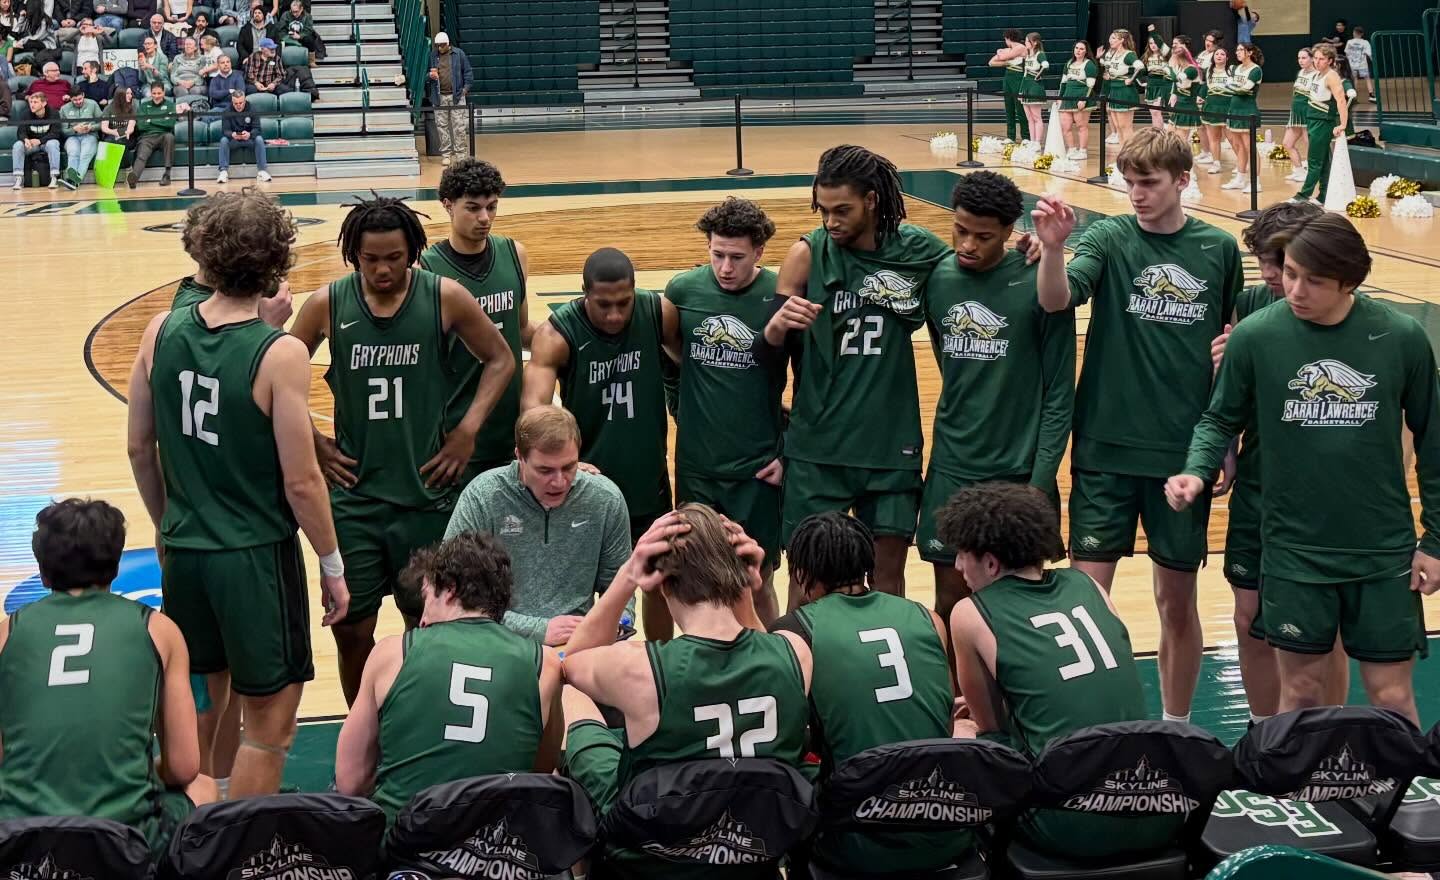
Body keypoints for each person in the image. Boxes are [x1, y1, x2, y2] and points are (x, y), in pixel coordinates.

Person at [1167, 213, 1440, 726]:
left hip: (1382, 548)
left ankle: (1402, 803)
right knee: (1301, 689)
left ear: (1350, 281)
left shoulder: (1401, 338)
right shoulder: (1255, 335)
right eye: (1290, 273)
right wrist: (1196, 471)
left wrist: (1436, 540)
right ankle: (1298, 798)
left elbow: (1435, 440)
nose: (1295, 289)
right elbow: (1218, 417)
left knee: (1391, 696)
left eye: (1313, 279)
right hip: (1292, 549)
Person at [127, 189, 350, 799]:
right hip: (253, 557)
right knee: (269, 728)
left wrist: (167, 523)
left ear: (201, 252)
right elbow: (302, 481)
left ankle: (192, 832)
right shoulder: (280, 353)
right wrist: (332, 566)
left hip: (186, 552)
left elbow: (138, 448)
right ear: (278, 263)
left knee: (202, 704)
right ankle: (239, 852)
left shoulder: (159, 330)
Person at [1031, 127, 1243, 723]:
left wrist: (1223, 443)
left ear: (1182, 180)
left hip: (1183, 455)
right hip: (1104, 446)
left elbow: (1229, 351)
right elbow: (1055, 301)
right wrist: (1052, 249)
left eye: (1148, 182)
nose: (1137, 193)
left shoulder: (1218, 249)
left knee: (1177, 602)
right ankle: (1093, 728)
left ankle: (1175, 726)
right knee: (1087, 606)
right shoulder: (1109, 236)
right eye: (1129, 182)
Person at [290, 194, 513, 707]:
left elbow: (500, 360)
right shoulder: (327, 303)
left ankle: (422, 721)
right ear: (353, 254)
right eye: (371, 259)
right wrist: (313, 440)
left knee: (429, 623)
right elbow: (272, 372)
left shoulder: (445, 296)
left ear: (412, 251)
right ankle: (365, 724)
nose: (383, 268)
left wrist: (467, 431)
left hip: (427, 492)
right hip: (354, 497)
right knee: (351, 628)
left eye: (394, 257)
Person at [561, 504, 813, 874]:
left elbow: (570, 662)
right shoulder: (796, 653)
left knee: (573, 701)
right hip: (752, 852)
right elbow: (768, 655)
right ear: (742, 574)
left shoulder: (638, 670)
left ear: (661, 583)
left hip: (653, 857)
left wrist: (627, 575)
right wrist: (741, 588)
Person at [945, 483, 1172, 861]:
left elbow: (993, 730)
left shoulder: (969, 613)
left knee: (962, 735)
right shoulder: (1088, 584)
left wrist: (965, 727)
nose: (956, 567)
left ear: (990, 563)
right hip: (1157, 802)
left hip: (1070, 824)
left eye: (962, 555)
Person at [762, 145, 950, 599]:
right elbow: (767, 359)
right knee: (808, 582)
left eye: (842, 209)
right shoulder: (806, 255)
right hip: (818, 448)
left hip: (890, 446)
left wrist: (1032, 248)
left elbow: (978, 275)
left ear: (872, 200)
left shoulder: (920, 250)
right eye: (823, 210)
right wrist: (775, 327)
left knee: (887, 581)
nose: (831, 221)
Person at [0, 499, 216, 860]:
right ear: (116, 566)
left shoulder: (7, 634)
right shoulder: (160, 630)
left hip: (21, 838)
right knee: (204, 787)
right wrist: (135, 767)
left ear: (43, 572)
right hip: (123, 838)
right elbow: (183, 766)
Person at [1211, 199, 1349, 724]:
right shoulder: (1248, 307)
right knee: (1249, 617)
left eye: (1282, 261)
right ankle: (1263, 734)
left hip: (1325, 499)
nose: (1271, 275)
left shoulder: (1351, 319)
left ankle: (1327, 732)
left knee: (1325, 627)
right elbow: (1225, 405)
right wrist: (1221, 369)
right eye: (1265, 263)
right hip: (1259, 488)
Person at [919, 172, 1074, 621]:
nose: (968, 245)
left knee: (1017, 610)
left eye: (984, 236)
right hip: (951, 464)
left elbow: (1060, 393)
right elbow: (948, 361)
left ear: (1011, 231)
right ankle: (956, 695)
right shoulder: (938, 278)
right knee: (951, 604)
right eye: (960, 230)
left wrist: (1041, 481)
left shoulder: (1039, 280)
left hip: (1020, 472)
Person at [770, 512, 958, 874]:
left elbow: (788, 743)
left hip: (857, 838)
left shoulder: (794, 634)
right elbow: (944, 725)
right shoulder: (927, 617)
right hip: (944, 821)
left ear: (802, 575)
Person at [334, 531, 563, 824]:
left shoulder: (391, 653)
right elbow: (541, 770)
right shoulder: (545, 663)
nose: (424, 618)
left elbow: (350, 781)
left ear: (450, 589)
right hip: (495, 851)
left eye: (427, 597)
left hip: (408, 844)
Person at [523, 247, 678, 639]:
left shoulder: (657, 313)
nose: (614, 315)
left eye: (623, 303)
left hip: (647, 480)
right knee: (580, 593)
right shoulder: (557, 334)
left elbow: (688, 367)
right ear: (583, 293)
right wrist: (565, 461)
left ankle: (657, 665)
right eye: (603, 304)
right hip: (586, 488)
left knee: (660, 582)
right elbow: (532, 415)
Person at [664, 197, 787, 624]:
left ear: (759, 252)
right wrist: (679, 405)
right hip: (698, 465)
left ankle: (776, 663)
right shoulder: (683, 291)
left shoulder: (779, 294)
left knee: (759, 578)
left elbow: (809, 378)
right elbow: (670, 358)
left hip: (757, 469)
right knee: (694, 579)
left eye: (737, 257)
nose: (726, 267)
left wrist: (789, 449)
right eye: (717, 255)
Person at [445, 406, 632, 645]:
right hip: (497, 640)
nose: (559, 481)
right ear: (519, 457)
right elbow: (454, 590)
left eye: (569, 467)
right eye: (545, 470)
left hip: (577, 643)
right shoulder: (483, 496)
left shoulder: (605, 500)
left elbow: (620, 586)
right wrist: (537, 630)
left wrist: (615, 625)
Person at [419, 158, 531, 485]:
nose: (485, 218)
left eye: (492, 207)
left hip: (511, 431)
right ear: (447, 205)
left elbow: (522, 330)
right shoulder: (426, 268)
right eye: (473, 208)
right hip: (455, 432)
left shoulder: (514, 254)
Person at [1294, 43, 1348, 205]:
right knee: (1323, 161)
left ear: (1330, 61)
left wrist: (1343, 124)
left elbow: (1341, 100)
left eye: (1322, 59)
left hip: (1323, 122)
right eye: (1315, 58)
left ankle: (1303, 195)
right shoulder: (1316, 75)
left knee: (1314, 160)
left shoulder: (1331, 76)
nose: (1317, 62)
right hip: (1312, 119)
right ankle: (1323, 195)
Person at [1222, 43, 1263, 194]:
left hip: (1248, 111)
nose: (1237, 52)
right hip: (1234, 109)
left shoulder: (1256, 70)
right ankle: (1240, 179)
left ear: (1249, 52)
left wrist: (1232, 87)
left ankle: (1256, 182)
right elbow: (1233, 87)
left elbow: (1245, 89)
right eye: (1237, 49)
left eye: (1241, 50)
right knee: (1239, 147)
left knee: (1250, 147)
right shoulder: (1237, 68)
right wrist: (1234, 88)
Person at [127, 80, 184, 188]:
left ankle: (167, 175)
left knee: (170, 137)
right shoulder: (144, 106)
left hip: (164, 135)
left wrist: (150, 120)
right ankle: (134, 178)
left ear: (163, 93)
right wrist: (161, 120)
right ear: (150, 93)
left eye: (159, 93)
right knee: (142, 155)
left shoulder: (170, 105)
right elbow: (141, 126)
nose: (156, 96)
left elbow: (170, 124)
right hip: (147, 137)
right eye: (154, 93)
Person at [427, 31, 471, 166]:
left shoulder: (459, 54)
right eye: (438, 46)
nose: (440, 48)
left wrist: (465, 89)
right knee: (442, 126)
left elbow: (468, 72)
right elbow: (425, 74)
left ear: (448, 44)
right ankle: (446, 154)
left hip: (456, 96)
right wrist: (430, 75)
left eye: (442, 45)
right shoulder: (432, 56)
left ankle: (460, 155)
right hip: (439, 96)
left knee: (459, 126)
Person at [216, 89, 270, 183]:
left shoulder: (252, 109)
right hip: (234, 140)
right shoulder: (227, 111)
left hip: (248, 139)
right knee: (224, 140)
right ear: (232, 102)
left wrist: (250, 134)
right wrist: (232, 134)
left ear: (245, 100)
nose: (238, 105)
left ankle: (262, 171)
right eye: (236, 103)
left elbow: (257, 129)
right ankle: (223, 172)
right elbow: (225, 131)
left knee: (259, 139)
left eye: (241, 103)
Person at [11, 91, 62, 189]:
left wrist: (40, 141)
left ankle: (54, 177)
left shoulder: (53, 113)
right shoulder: (26, 114)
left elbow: (55, 133)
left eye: (35, 102)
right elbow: (21, 132)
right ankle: (18, 178)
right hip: (31, 145)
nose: (32, 105)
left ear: (43, 103)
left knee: (53, 143)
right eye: (31, 102)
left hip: (45, 144)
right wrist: (25, 140)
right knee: (18, 145)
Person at [1057, 40, 1097, 160]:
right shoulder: (1069, 63)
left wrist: (1084, 99)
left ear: (1086, 51)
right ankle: (1072, 149)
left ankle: (1083, 151)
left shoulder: (1089, 64)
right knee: (1066, 126)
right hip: (1067, 96)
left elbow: (1091, 85)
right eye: (1077, 48)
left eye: (1081, 49)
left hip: (1081, 96)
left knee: (1081, 126)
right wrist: (1060, 97)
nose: (1078, 51)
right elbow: (1063, 82)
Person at [988, 28, 1029, 142]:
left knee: (1020, 109)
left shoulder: (1021, 47)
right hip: (1008, 78)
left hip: (1019, 79)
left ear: (1008, 38)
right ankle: (1010, 136)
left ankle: (1026, 137)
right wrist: (1006, 62)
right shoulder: (1009, 49)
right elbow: (991, 62)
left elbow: (1001, 57)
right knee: (1009, 108)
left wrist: (1000, 52)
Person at [1102, 29, 1142, 145]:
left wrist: (1131, 79)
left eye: (1114, 38)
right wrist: (1109, 75)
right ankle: (1122, 156)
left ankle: (1129, 156)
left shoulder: (1128, 54)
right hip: (1113, 89)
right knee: (1118, 127)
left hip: (1124, 91)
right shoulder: (1113, 53)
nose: (1111, 40)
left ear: (1122, 40)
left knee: (1125, 126)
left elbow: (1140, 66)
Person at [1282, 48, 1316, 184]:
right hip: (1295, 114)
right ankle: (1299, 171)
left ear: (1312, 59)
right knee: (1287, 143)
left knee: (1309, 143)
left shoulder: (1316, 75)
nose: (1300, 61)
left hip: (1308, 112)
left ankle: (1313, 172)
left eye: (1304, 58)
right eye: (1299, 58)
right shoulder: (1300, 72)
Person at [1198, 46, 1232, 177]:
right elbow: (1205, 86)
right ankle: (1216, 163)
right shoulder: (1208, 71)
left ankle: (1242, 163)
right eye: (1217, 54)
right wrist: (1200, 97)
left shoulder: (1232, 70)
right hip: (1211, 106)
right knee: (1214, 138)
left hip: (1227, 107)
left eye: (1222, 54)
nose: (1219, 56)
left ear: (1227, 58)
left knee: (1232, 139)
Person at [58, 85, 99, 189]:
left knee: (85, 155)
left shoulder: (92, 104)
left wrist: (92, 127)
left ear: (83, 95)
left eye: (80, 99)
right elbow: (63, 131)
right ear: (70, 98)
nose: (78, 102)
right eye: (75, 100)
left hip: (90, 135)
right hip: (72, 137)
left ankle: (74, 180)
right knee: (73, 152)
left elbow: (102, 123)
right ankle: (73, 180)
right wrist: (74, 130)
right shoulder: (64, 109)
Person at [1194, 31, 1222, 164]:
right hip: (1196, 88)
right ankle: (1205, 151)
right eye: (1207, 39)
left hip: (1205, 90)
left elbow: (1208, 78)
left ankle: (1212, 153)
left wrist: (1202, 94)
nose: (1208, 42)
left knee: (1207, 125)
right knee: (1199, 125)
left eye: (1211, 40)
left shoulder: (1214, 56)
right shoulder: (1202, 54)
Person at [1167, 36, 1201, 146]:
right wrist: (1173, 94)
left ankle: (1185, 162)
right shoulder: (1179, 67)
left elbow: (1175, 78)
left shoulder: (1191, 69)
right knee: (1170, 138)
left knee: (1180, 142)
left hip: (1188, 108)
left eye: (1176, 45)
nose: (1173, 48)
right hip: (1178, 106)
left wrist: (1169, 68)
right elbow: (1171, 80)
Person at [1017, 32, 1048, 146]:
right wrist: (1022, 88)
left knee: (1036, 117)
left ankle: (1037, 142)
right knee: (1029, 117)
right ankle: (1032, 141)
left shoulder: (1040, 54)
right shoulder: (1027, 56)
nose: (1025, 43)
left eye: (1027, 41)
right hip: (1025, 86)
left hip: (1035, 87)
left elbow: (1046, 65)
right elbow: (1025, 72)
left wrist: (1037, 76)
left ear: (1034, 43)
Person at [1141, 27, 1171, 130]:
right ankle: (1157, 131)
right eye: (1151, 43)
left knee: (1159, 110)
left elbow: (1160, 43)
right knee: (1153, 111)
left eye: (1155, 43)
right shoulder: (1146, 56)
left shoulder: (1166, 53)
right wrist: (1143, 82)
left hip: (1163, 84)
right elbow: (1140, 71)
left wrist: (1153, 32)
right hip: (1151, 85)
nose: (1153, 45)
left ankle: (1164, 131)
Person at [1345, 25, 1372, 103]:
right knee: (1367, 79)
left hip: (1352, 65)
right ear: (1362, 34)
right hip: (1362, 65)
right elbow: (1369, 54)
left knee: (1354, 79)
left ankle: (1354, 97)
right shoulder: (1365, 42)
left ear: (1354, 33)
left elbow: (1347, 53)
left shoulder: (1349, 42)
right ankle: (1371, 95)